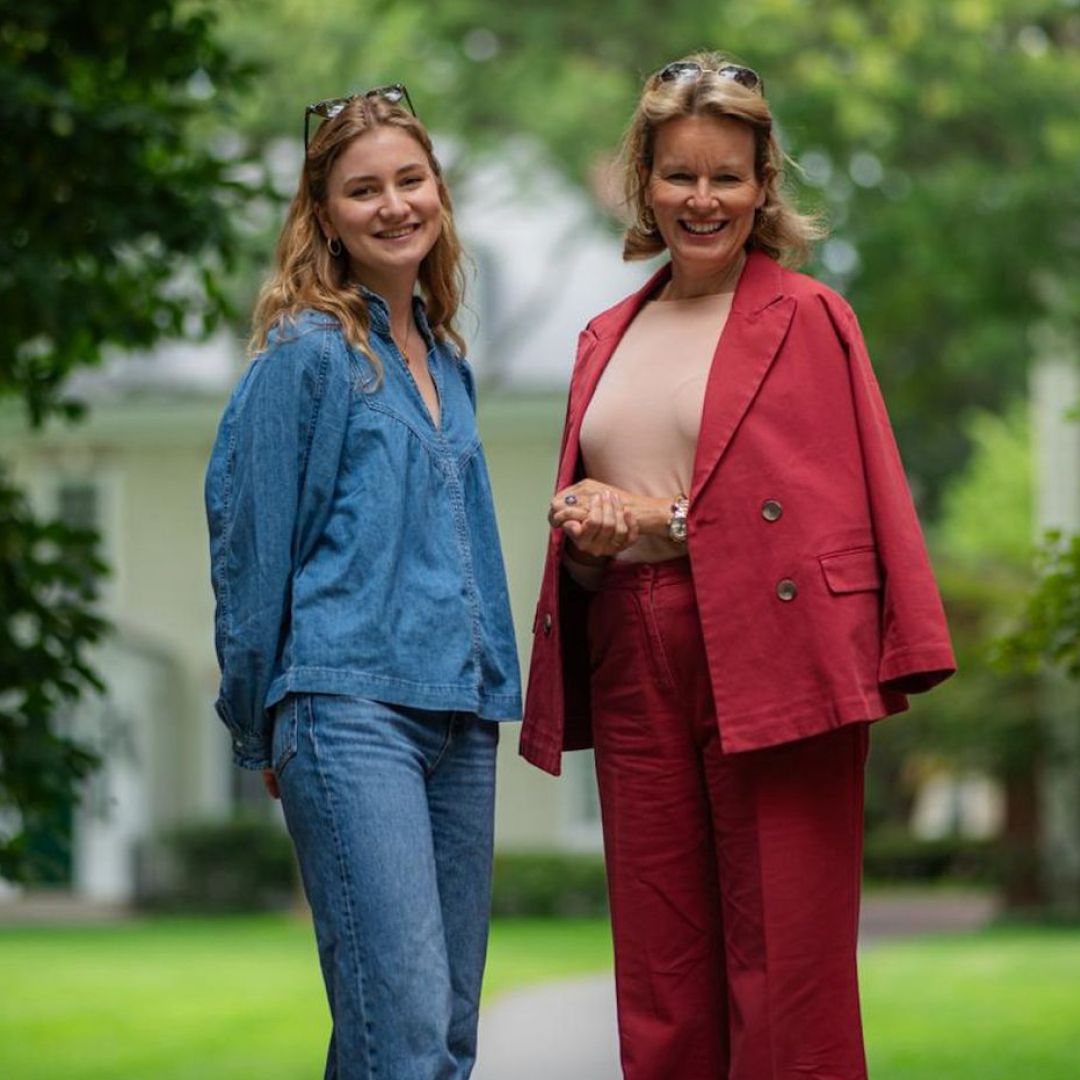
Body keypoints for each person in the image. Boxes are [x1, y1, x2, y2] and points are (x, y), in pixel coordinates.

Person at [520, 53, 956, 1080]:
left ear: (764, 185)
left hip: (776, 654)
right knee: (662, 985)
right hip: (633, 645)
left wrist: (658, 516)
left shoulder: (808, 318)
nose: (702, 199)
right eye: (679, 175)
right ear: (645, 183)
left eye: (727, 175)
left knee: (786, 976)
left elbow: (826, 515)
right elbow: (599, 527)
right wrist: (588, 549)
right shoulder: (601, 336)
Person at [205, 84, 521, 1080]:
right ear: (325, 216)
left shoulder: (450, 362)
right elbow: (250, 551)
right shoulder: (306, 357)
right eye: (362, 190)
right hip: (348, 711)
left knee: (439, 1037)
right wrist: (262, 723)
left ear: (439, 192)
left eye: (410, 180)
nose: (394, 206)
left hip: (459, 718)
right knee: (408, 1037)